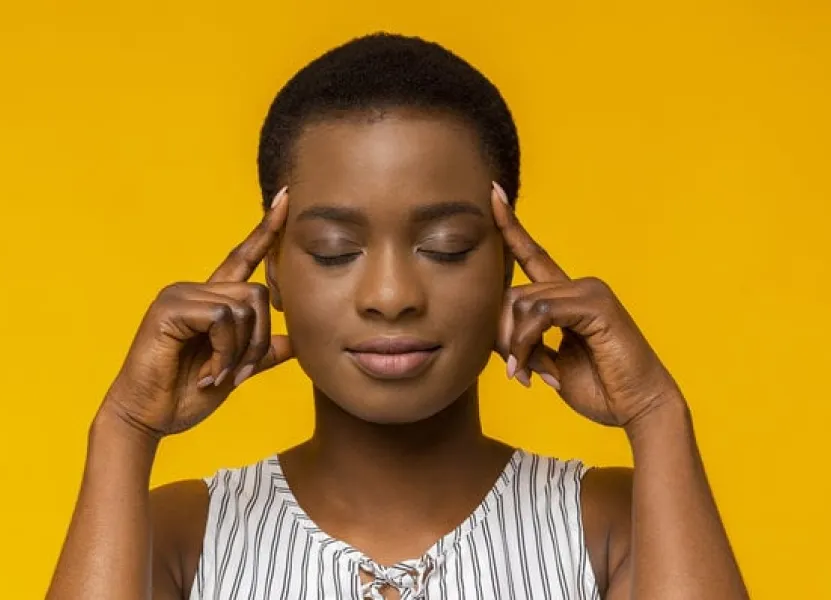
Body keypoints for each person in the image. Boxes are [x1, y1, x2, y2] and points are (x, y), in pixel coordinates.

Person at [46, 33, 749, 600]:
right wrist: (124, 429)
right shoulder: (180, 536)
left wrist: (657, 414)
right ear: (274, 275)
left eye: (445, 248)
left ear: (507, 264)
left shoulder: (613, 524)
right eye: (334, 250)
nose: (391, 293)